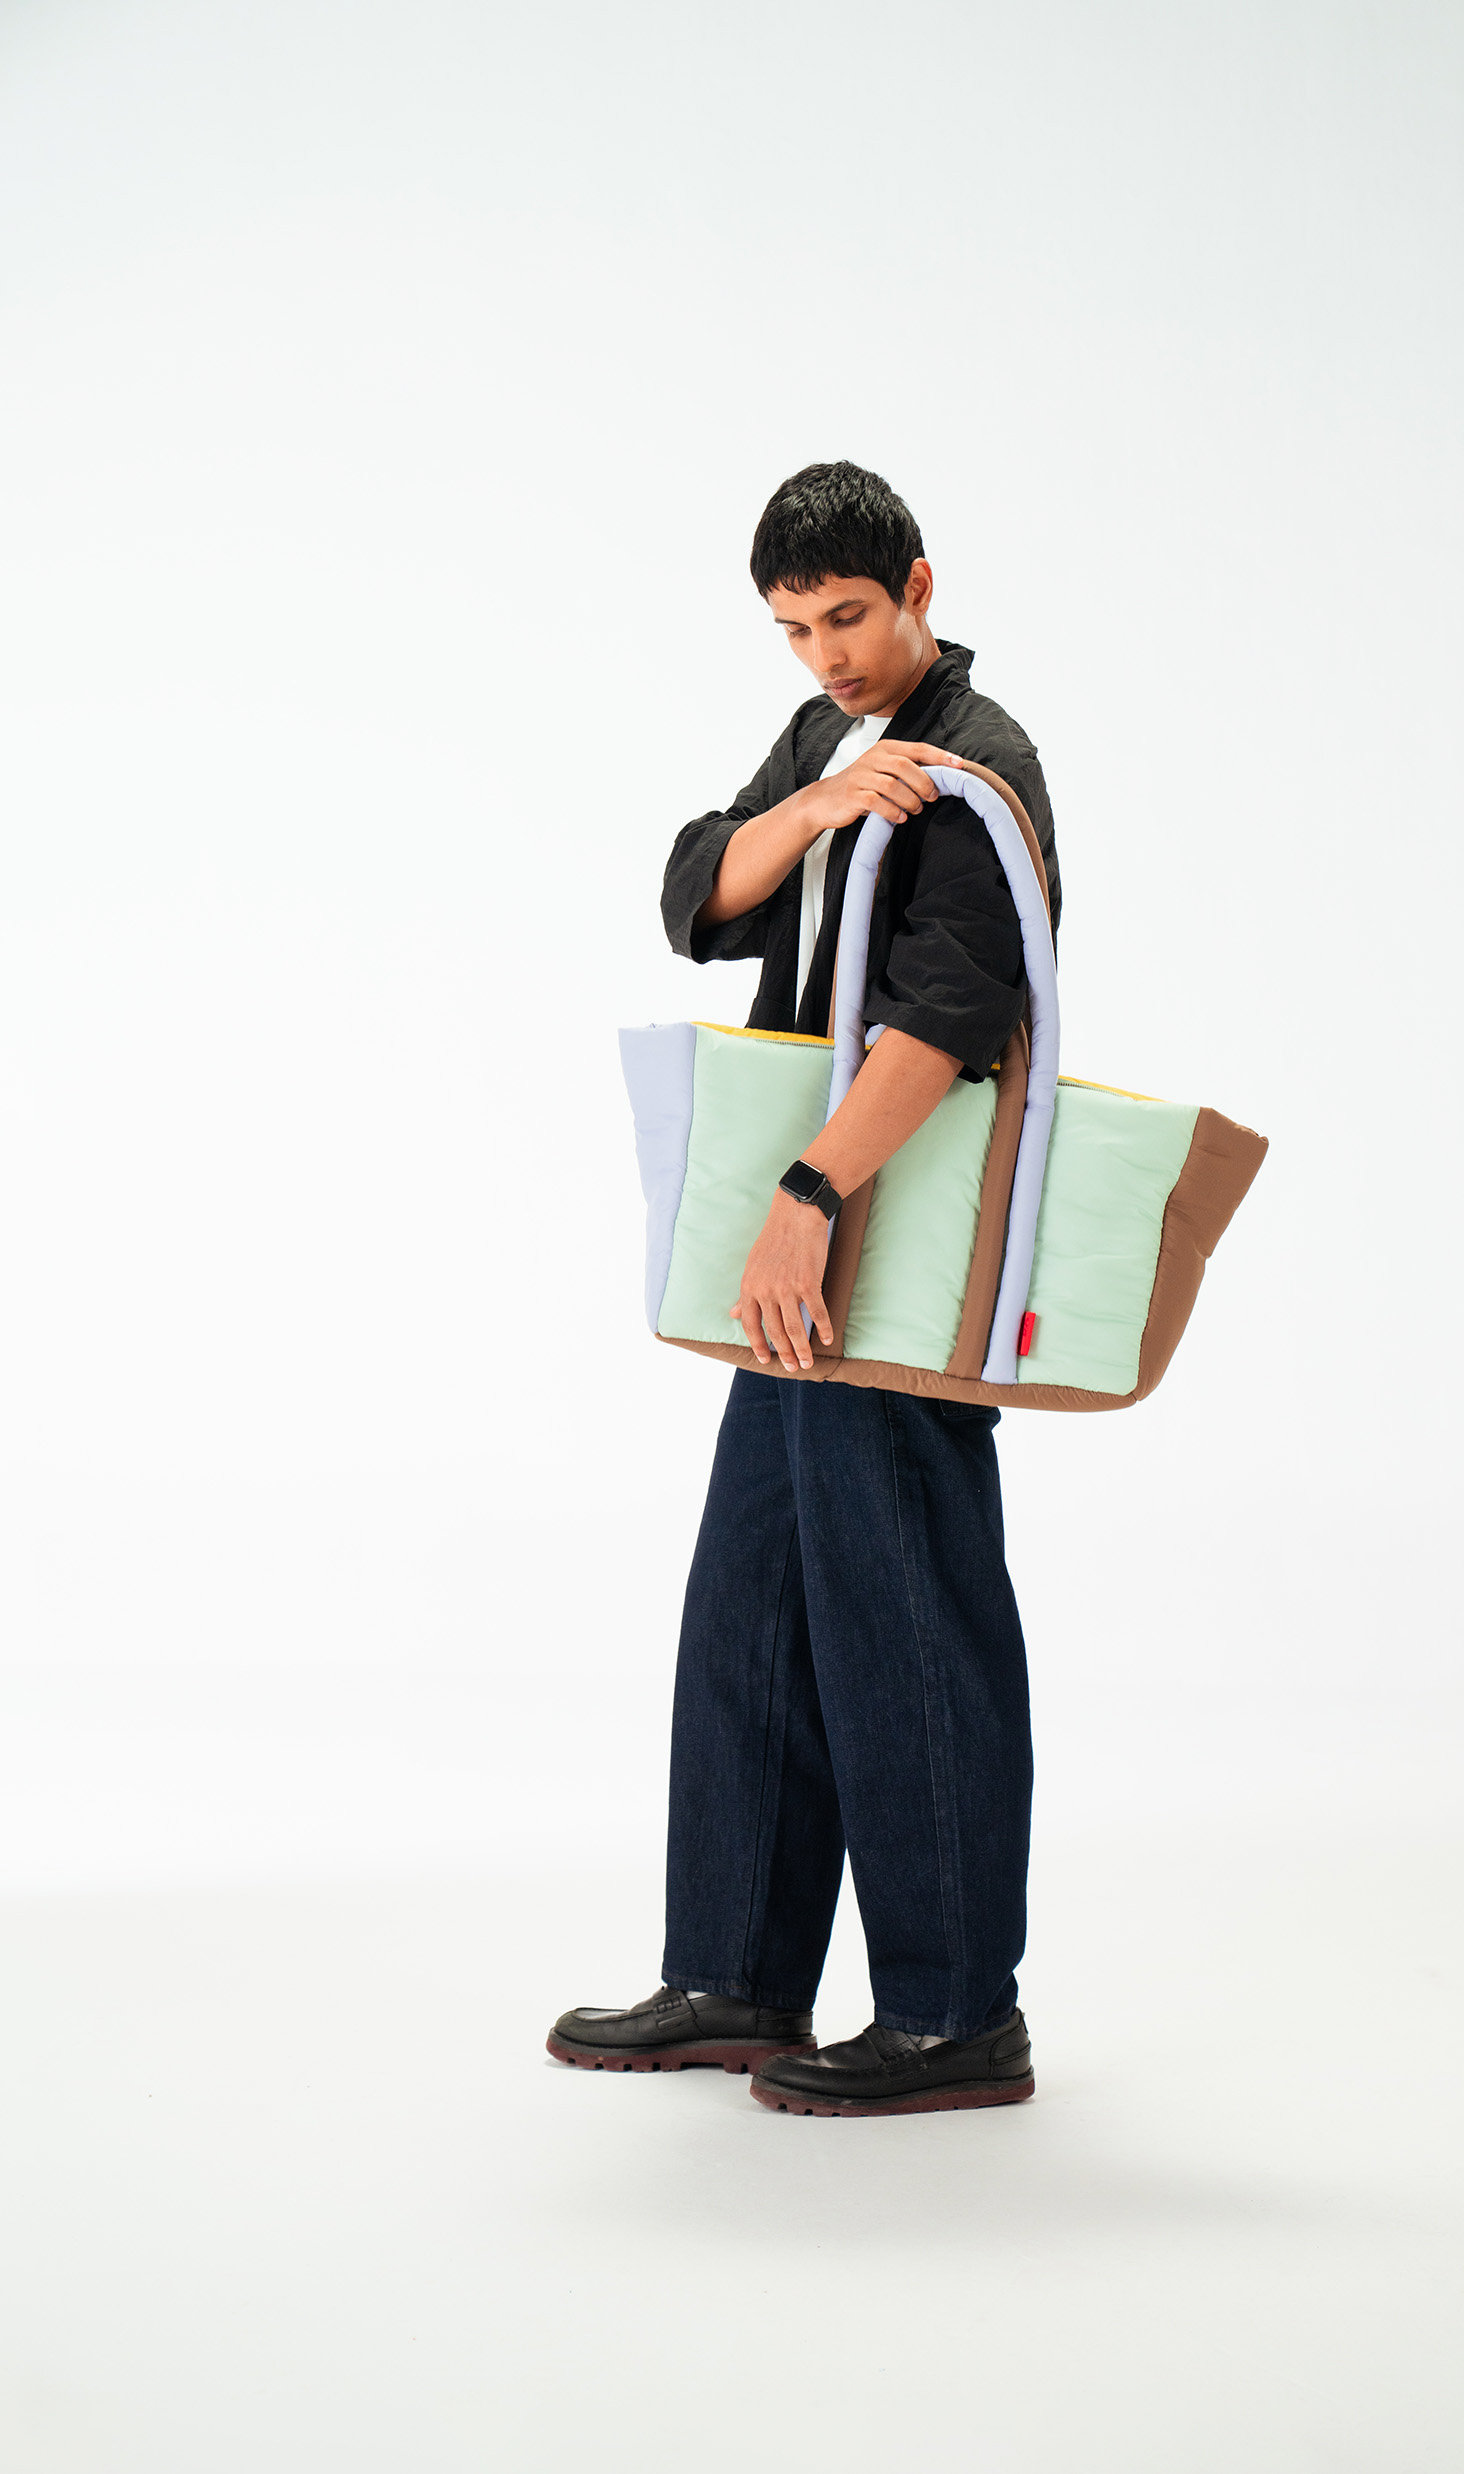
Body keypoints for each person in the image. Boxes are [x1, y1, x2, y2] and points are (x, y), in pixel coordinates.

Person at [550, 462, 1061, 2116]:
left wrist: (811, 1193)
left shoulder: (981, 767)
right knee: (755, 1603)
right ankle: (737, 1974)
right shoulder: (834, 740)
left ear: (918, 585)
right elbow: (701, 891)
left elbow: (952, 1013)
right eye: (794, 629)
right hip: (810, 1269)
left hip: (877, 1249)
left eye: (848, 616)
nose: (828, 655)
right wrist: (824, 803)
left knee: (904, 1610)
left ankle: (954, 2011)